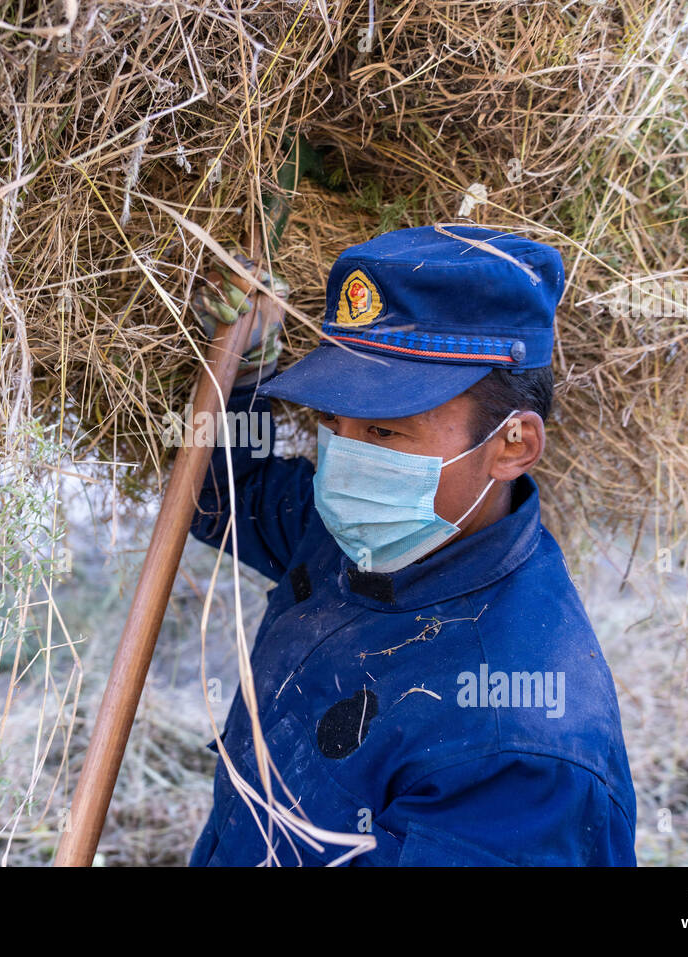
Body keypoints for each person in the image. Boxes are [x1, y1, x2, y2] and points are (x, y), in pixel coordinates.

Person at [185, 224, 637, 866]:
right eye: (330, 422)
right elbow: (224, 498)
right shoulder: (355, 533)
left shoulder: (517, 752)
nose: (342, 460)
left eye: (386, 430)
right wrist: (245, 374)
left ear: (514, 445)